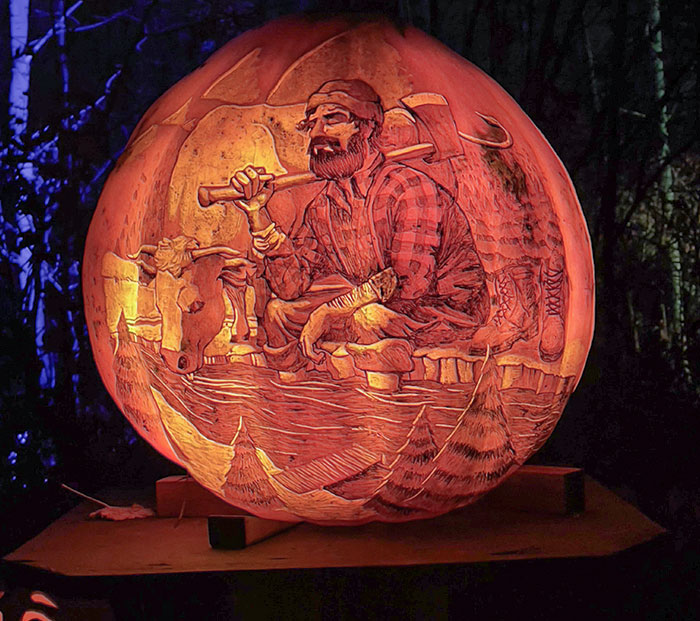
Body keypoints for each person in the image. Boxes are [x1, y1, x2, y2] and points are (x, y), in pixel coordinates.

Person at [229, 79, 489, 373]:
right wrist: (258, 215)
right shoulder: (323, 207)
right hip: (373, 304)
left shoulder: (409, 188)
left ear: (367, 129)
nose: (317, 134)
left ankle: (384, 392)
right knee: (279, 313)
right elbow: (290, 287)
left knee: (367, 319)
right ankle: (296, 394)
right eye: (312, 124)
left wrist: (330, 311)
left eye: (332, 119)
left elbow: (409, 283)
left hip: (441, 311)